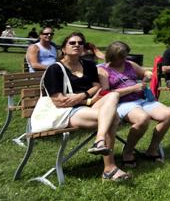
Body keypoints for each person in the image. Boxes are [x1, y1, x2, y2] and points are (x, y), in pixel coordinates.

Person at [42, 32, 129, 181]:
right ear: (63, 48)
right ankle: (109, 168)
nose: (77, 45)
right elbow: (59, 101)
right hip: (66, 112)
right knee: (112, 118)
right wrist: (86, 100)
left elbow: (96, 86)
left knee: (113, 95)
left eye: (80, 43)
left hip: (85, 105)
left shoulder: (88, 64)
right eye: (72, 43)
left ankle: (99, 139)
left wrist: (81, 96)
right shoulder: (55, 69)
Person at [99, 41, 170, 168]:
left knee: (169, 113)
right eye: (122, 56)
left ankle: (152, 150)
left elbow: (145, 72)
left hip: (141, 99)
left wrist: (147, 76)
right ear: (112, 56)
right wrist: (133, 88)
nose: (125, 59)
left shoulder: (129, 64)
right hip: (122, 102)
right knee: (142, 118)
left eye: (126, 55)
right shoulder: (103, 70)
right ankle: (128, 151)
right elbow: (106, 93)